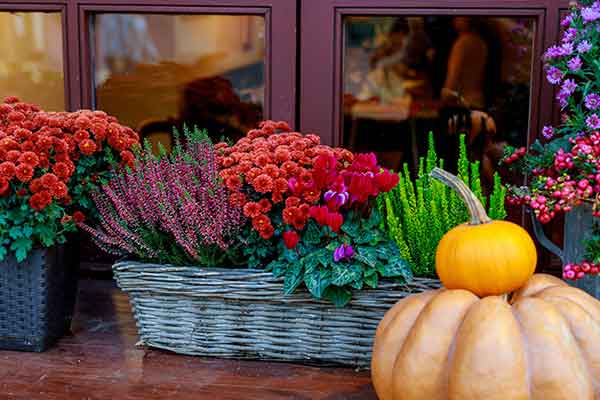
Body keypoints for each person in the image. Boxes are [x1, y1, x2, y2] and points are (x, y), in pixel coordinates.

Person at [441, 17, 488, 109]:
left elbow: (453, 77)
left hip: (461, 102)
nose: (455, 19)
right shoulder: (481, 42)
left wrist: (444, 98)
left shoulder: (462, 43)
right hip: (478, 101)